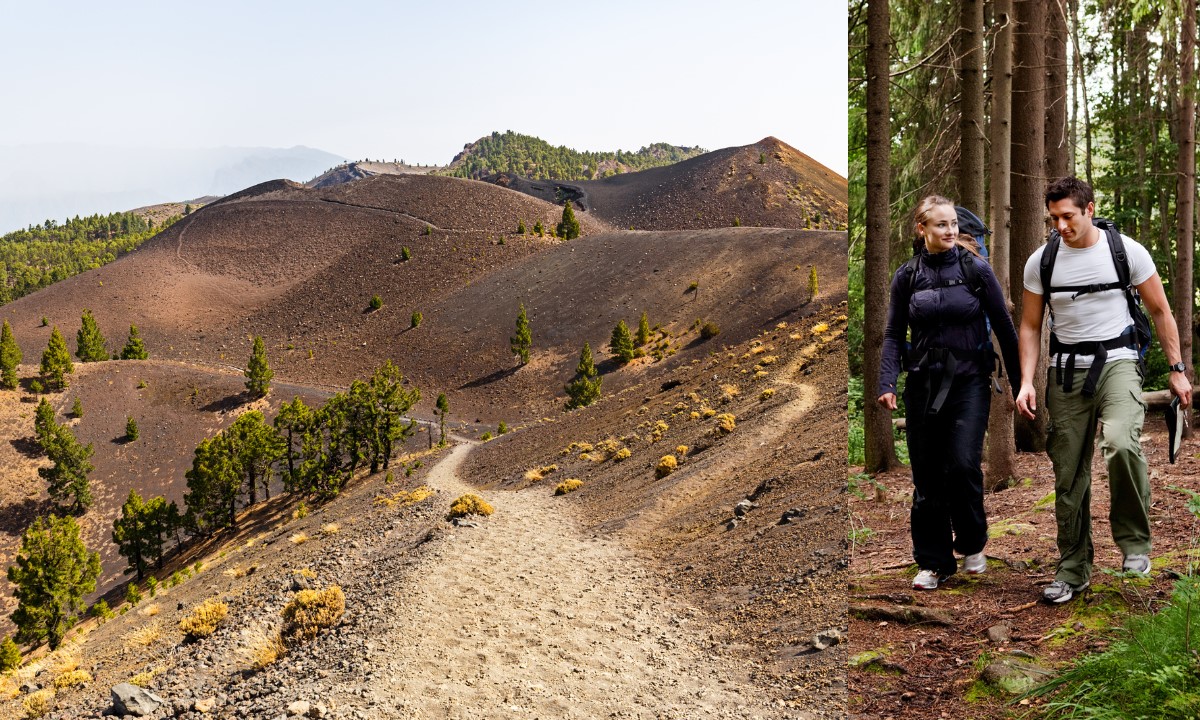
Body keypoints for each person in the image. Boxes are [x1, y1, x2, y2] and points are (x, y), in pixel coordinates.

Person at [1015, 176, 1192, 604]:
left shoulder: (1126, 252)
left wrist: (1177, 369)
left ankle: (1134, 546)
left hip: (1118, 364)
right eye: (1053, 218)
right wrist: (1025, 381)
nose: (1060, 225)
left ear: (1089, 209)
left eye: (1068, 216)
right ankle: (1073, 568)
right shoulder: (1042, 261)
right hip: (1066, 373)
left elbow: (1160, 311)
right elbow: (1031, 325)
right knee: (1068, 469)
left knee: (1121, 444)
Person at [879, 195, 1021, 591]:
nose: (951, 230)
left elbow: (1006, 330)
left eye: (954, 223)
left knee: (961, 465)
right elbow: (892, 335)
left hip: (969, 382)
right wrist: (886, 383)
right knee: (926, 477)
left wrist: (1021, 384)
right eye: (941, 224)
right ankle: (933, 562)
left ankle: (973, 542)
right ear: (921, 229)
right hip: (922, 384)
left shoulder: (976, 269)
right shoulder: (906, 276)